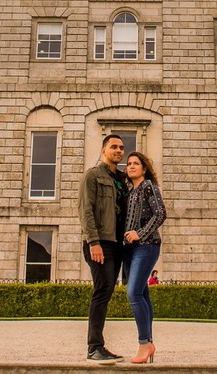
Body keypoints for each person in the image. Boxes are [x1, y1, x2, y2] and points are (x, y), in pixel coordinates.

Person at [79, 134, 128, 364]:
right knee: (102, 290)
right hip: (100, 242)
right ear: (103, 150)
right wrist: (93, 242)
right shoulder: (93, 175)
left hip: (117, 243)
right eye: (114, 147)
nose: (119, 151)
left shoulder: (122, 179)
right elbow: (85, 210)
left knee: (107, 291)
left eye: (121, 148)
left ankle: (100, 346)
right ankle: (94, 348)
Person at [122, 151, 167, 365]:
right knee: (142, 294)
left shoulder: (149, 187)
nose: (131, 166)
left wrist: (140, 233)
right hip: (129, 250)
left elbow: (161, 214)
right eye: (129, 163)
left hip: (147, 246)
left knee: (133, 293)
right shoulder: (129, 191)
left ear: (144, 168)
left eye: (136, 163)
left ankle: (143, 344)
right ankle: (150, 342)